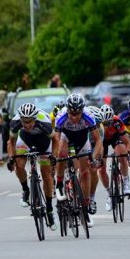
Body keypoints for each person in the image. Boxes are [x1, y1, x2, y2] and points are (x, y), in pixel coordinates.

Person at [7, 103, 59, 231]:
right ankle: (25, 189)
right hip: (25, 139)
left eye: (29, 122)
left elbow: (56, 140)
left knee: (46, 175)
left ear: (34, 119)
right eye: (24, 121)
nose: (26, 124)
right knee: (19, 164)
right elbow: (11, 142)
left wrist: (53, 156)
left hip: (44, 141)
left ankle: (49, 209)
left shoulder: (44, 122)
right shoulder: (15, 122)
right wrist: (11, 158)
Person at [54, 94, 103, 228]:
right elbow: (56, 139)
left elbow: (98, 140)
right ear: (67, 110)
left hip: (82, 138)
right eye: (72, 114)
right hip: (66, 136)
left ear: (82, 110)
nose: (74, 117)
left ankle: (85, 209)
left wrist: (93, 156)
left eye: (78, 114)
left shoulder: (88, 116)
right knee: (61, 152)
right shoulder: (61, 116)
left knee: (85, 173)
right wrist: (56, 155)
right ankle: (59, 183)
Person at [98, 104, 130, 212]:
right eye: (105, 123)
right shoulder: (96, 123)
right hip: (101, 140)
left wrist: (128, 153)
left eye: (108, 123)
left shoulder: (117, 121)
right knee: (101, 168)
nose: (107, 126)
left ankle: (126, 182)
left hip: (114, 137)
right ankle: (109, 194)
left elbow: (127, 140)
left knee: (121, 153)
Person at [85, 106, 104, 214]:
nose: (97, 126)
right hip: (81, 142)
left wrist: (97, 159)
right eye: (95, 123)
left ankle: (91, 197)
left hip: (93, 144)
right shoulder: (82, 124)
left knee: (93, 169)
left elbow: (100, 145)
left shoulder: (100, 128)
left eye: (98, 124)